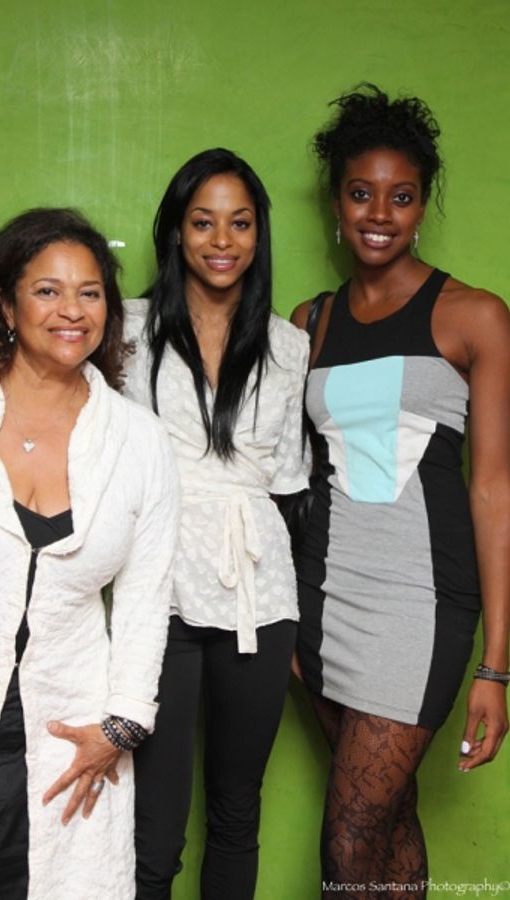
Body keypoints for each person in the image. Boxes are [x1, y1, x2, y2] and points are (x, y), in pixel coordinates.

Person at [0, 207, 180, 900]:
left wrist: (121, 728)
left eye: (90, 293)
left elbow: (148, 597)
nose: (72, 311)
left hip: (67, 743)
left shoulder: (140, 442)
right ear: (5, 303)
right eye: (47, 290)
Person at [291, 84, 510, 898]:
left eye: (402, 195)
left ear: (422, 205)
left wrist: (498, 665)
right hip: (321, 596)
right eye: (360, 193)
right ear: (337, 205)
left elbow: (493, 490)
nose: (379, 213)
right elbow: (291, 476)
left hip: (420, 605)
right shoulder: (307, 321)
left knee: (348, 837)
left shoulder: (475, 317)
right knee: (390, 817)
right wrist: (282, 609)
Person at [122, 148, 309, 900]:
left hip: (258, 598)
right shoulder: (128, 330)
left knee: (236, 812)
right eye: (203, 222)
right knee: (154, 827)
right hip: (156, 589)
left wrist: (305, 621)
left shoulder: (289, 346)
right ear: (176, 231)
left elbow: (292, 482)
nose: (222, 240)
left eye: (239, 223)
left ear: (259, 234)